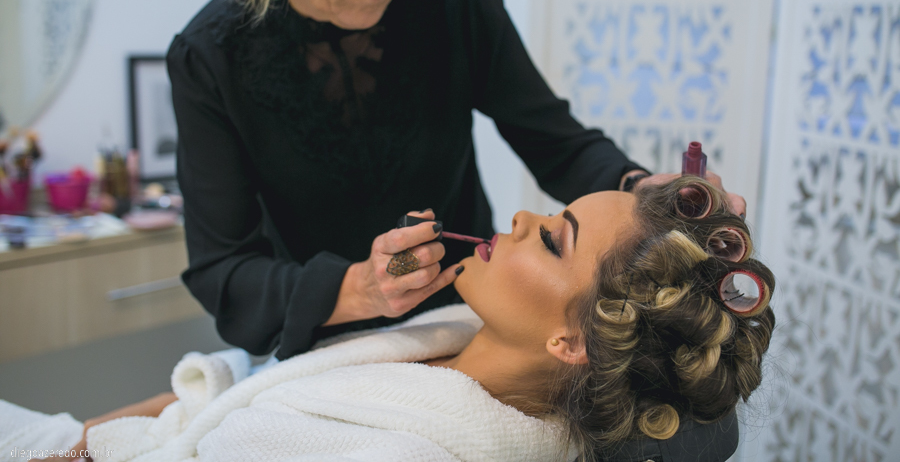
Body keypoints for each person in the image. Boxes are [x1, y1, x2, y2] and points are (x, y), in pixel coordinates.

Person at [167, 0, 748, 363]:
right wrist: (360, 288)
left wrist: (640, 189)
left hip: (467, 330)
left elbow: (558, 144)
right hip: (323, 353)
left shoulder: (457, 4)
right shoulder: (210, 58)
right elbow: (225, 272)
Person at [9, 177, 772, 461]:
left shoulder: (414, 449)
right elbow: (236, 390)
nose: (518, 216)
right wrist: (81, 440)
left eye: (551, 238)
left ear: (571, 340)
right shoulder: (444, 337)